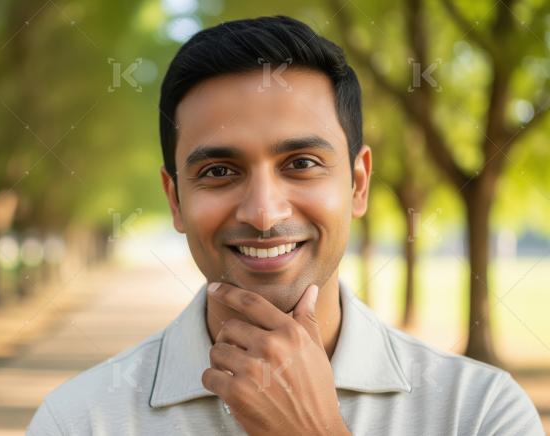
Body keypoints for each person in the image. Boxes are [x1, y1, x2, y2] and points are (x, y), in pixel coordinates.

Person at [27, 15, 544, 435]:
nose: (264, 213)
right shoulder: (78, 421)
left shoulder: (480, 414)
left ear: (358, 183)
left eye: (301, 163)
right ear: (176, 200)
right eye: (219, 172)